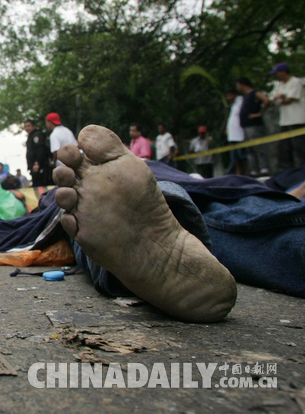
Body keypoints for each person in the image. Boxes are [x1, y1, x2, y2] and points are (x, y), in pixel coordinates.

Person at [51, 125, 237, 322]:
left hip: (111, 201)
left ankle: (116, 274)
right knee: (230, 215)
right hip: (191, 188)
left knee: (69, 214)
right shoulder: (120, 172)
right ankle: (177, 209)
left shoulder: (79, 186)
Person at [269, 63, 305, 170]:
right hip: (284, 121)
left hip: (297, 119)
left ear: (284, 72)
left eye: (277, 73)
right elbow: (274, 99)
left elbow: (289, 99)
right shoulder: (279, 85)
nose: (276, 75)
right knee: (284, 148)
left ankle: (302, 169)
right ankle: (287, 170)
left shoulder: (296, 81)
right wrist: (280, 98)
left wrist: (281, 98)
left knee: (300, 147)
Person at [236, 77, 271, 176]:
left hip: (254, 125)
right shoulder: (244, 97)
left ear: (242, 84)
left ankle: (264, 168)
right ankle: (254, 170)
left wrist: (260, 113)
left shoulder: (255, 93)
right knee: (250, 149)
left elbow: (266, 100)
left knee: (258, 147)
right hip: (246, 126)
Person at [225, 90, 248, 176]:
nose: (228, 98)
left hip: (239, 134)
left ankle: (247, 173)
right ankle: (239, 174)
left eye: (229, 96)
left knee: (243, 156)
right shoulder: (233, 105)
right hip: (232, 135)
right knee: (235, 158)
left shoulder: (240, 101)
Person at [24, 118, 51, 186]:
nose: (27, 128)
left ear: (33, 126)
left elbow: (40, 150)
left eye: (28, 126)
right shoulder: (31, 136)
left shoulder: (37, 135)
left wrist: (37, 163)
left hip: (40, 166)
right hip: (34, 166)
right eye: (25, 126)